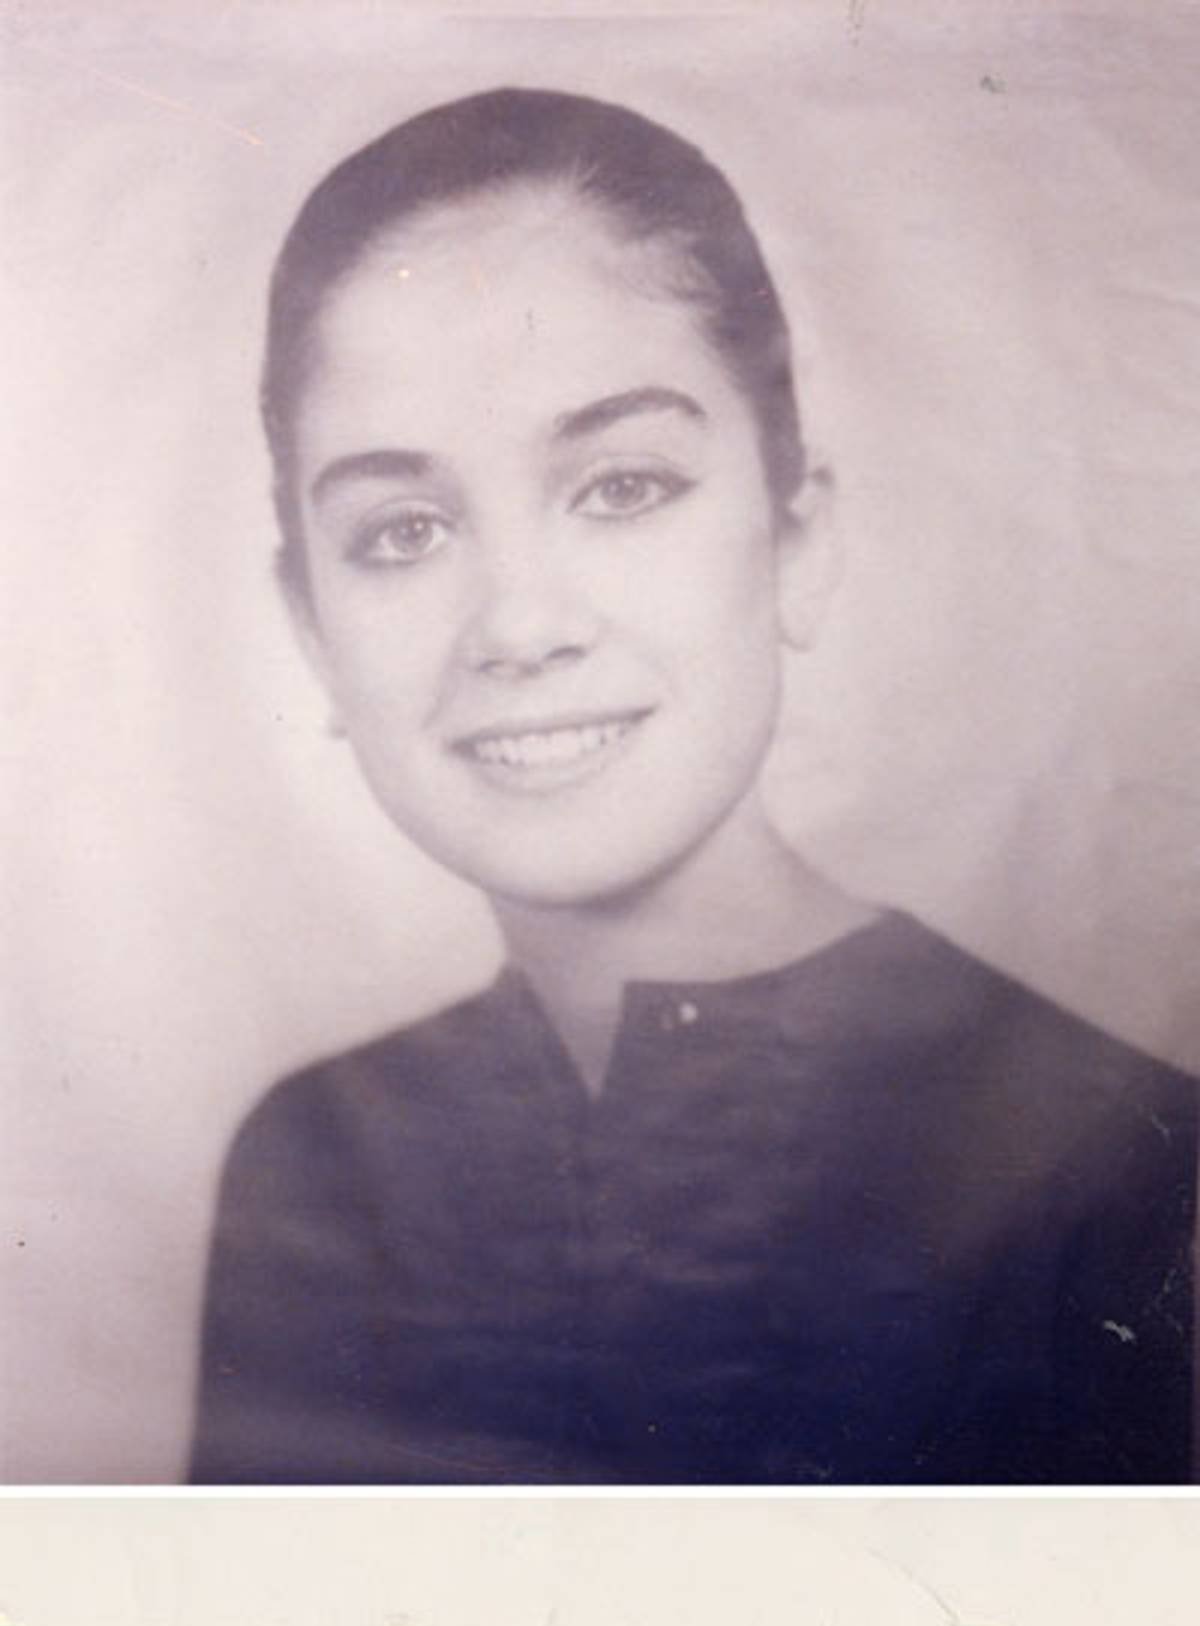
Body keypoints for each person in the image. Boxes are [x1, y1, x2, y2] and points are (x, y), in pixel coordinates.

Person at [190, 86, 1196, 1484]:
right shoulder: (313, 1174)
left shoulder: (1133, 1176)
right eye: (404, 530)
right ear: (312, 627)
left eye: (623, 487)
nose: (519, 624)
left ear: (795, 539)